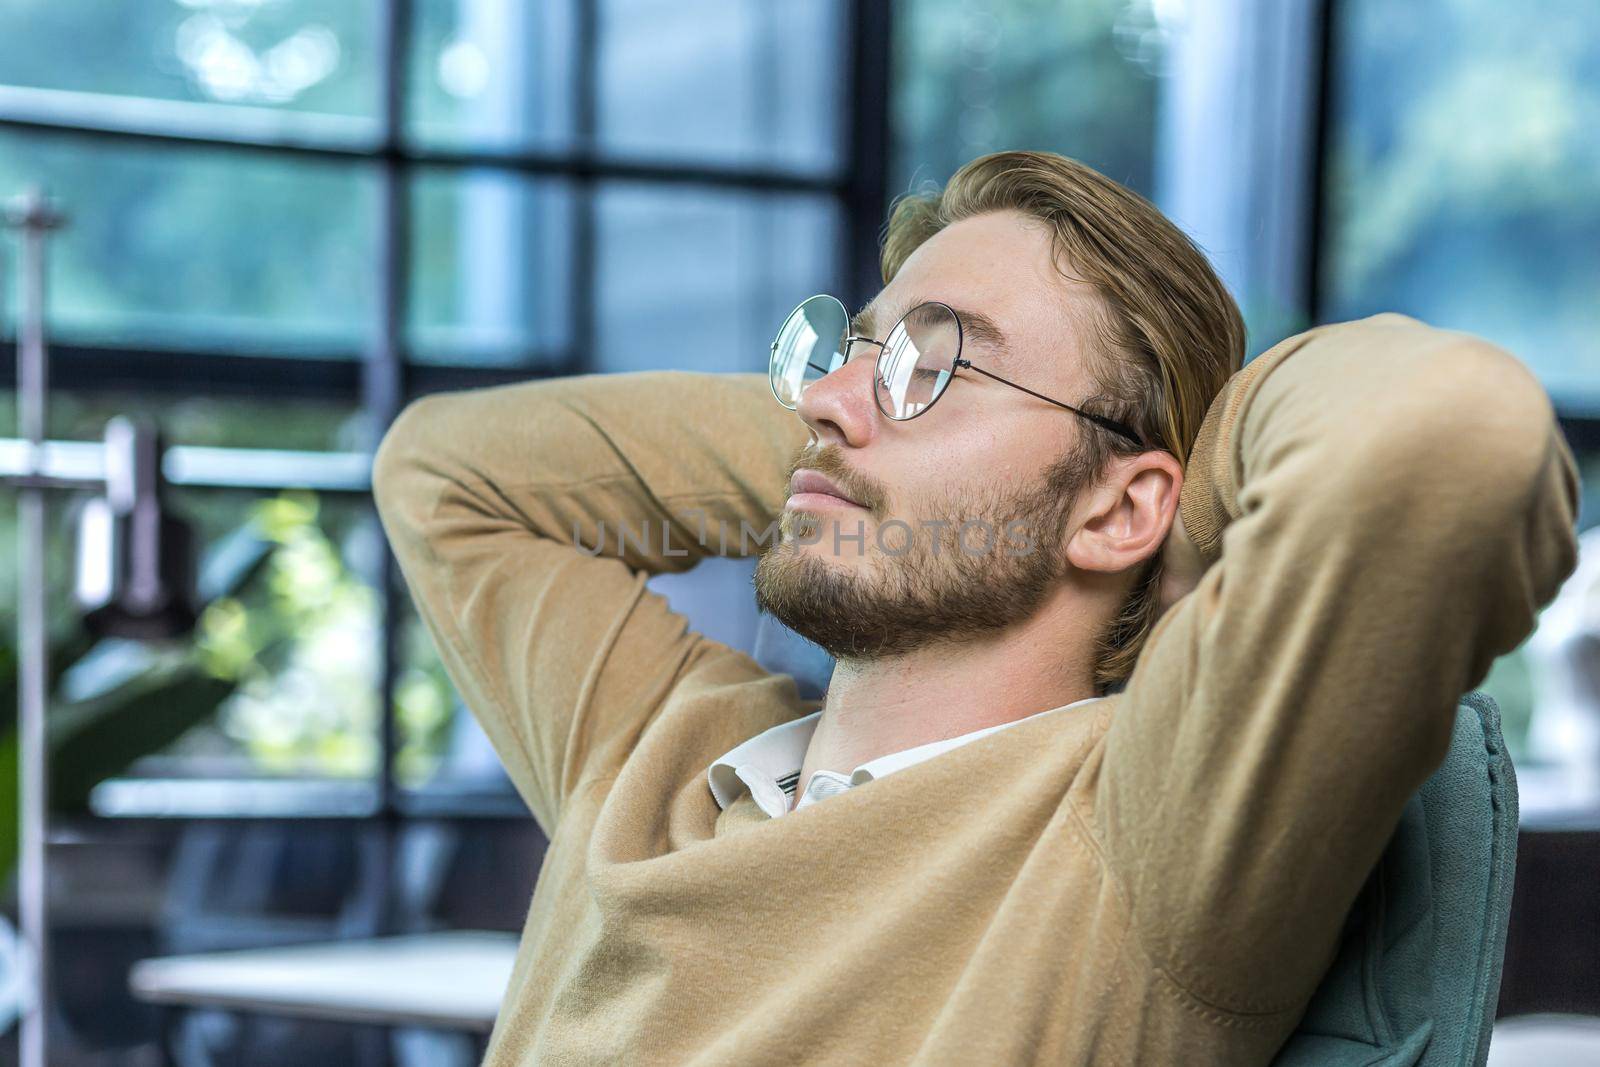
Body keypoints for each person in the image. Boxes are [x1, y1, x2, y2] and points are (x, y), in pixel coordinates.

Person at [373, 150, 1580, 1064]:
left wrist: (1173, 500)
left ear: (1119, 513)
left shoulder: (1146, 822)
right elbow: (447, 470)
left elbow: (1444, 436)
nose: (828, 395)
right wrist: (854, 447)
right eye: (849, 348)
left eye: (935, 360)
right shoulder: (654, 748)